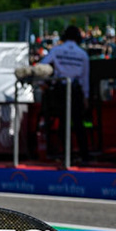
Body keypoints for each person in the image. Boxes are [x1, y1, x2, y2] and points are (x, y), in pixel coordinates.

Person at [38, 25, 92, 162]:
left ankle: (66, 154)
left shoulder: (56, 50)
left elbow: (43, 65)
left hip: (61, 89)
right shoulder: (82, 54)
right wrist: (86, 97)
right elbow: (85, 78)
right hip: (76, 90)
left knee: (63, 122)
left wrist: (43, 83)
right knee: (79, 123)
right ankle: (84, 155)